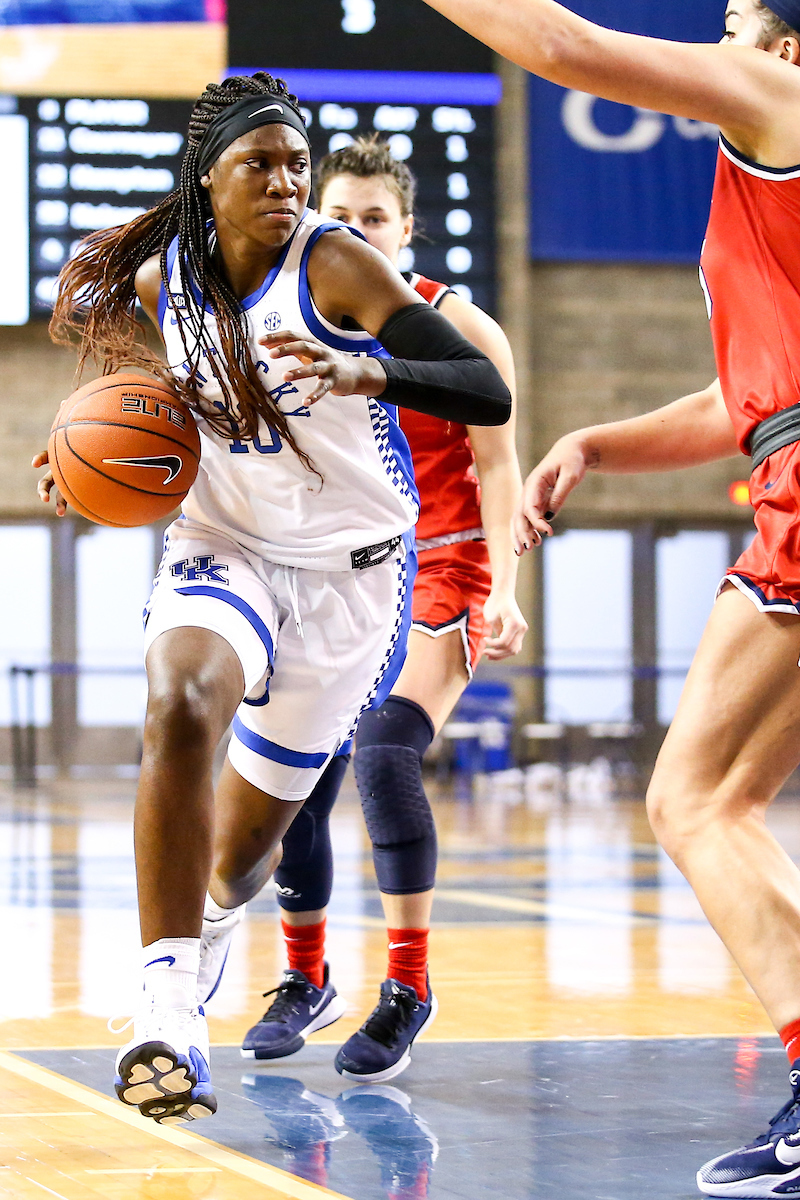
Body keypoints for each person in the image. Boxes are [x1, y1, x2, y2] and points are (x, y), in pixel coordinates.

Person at [34, 72, 511, 1124]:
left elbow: (488, 390)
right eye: (261, 163)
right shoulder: (165, 279)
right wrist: (82, 453)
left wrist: (368, 374)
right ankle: (167, 1009)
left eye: (297, 162)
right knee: (178, 703)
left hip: (352, 578)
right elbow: (146, 393)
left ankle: (210, 927)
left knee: (242, 858)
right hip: (226, 545)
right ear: (209, 179)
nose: (287, 181)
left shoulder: (335, 265)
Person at [421, 0, 800, 1194]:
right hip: (784, 455)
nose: (718, 45)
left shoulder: (781, 100)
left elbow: (566, 48)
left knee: (695, 800)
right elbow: (739, 400)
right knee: (719, 799)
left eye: (733, 23)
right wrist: (591, 441)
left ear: (783, 47)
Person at [226, 137, 526, 1083]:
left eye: (375, 219)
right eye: (341, 217)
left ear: (406, 231)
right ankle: (305, 977)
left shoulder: (459, 325)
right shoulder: (285, 317)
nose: (355, 232)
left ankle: (408, 985)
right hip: (342, 568)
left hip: (445, 560)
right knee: (302, 774)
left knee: (386, 752)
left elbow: (499, 465)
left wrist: (508, 588)